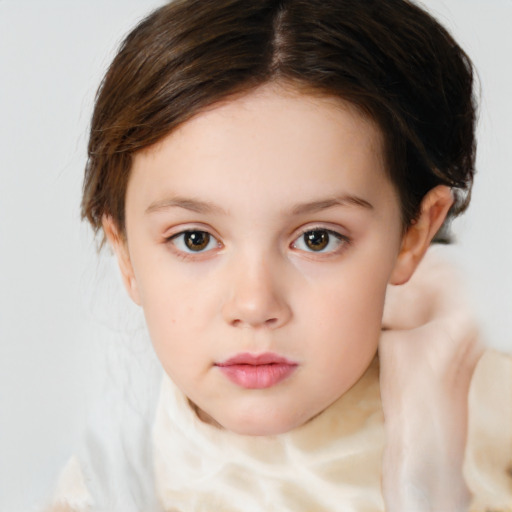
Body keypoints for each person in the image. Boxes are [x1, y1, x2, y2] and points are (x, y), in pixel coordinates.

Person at [45, 0, 512, 511]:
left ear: (414, 233)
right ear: (126, 253)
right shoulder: (102, 493)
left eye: (317, 239)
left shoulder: (492, 436)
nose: (254, 304)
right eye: (195, 239)